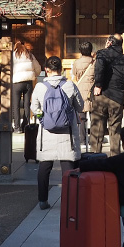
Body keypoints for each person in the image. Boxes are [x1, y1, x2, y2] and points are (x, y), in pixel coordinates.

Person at [31, 56, 85, 210]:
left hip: (47, 133)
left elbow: (35, 108)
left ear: (46, 70)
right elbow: (80, 106)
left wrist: (43, 119)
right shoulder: (69, 85)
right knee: (68, 167)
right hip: (67, 133)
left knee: (45, 167)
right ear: (61, 69)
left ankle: (42, 200)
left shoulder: (40, 87)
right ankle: (69, 202)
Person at [90, 34, 124, 155]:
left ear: (110, 42)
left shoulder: (102, 54)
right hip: (118, 98)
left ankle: (95, 159)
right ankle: (114, 160)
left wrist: (98, 85)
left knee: (97, 131)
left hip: (102, 95)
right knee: (115, 131)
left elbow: (99, 69)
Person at [11, 41, 40, 133]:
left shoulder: (13, 55)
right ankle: (26, 125)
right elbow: (38, 68)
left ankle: (17, 127)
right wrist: (34, 75)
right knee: (27, 104)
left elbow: (8, 68)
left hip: (17, 82)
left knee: (16, 105)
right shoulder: (30, 55)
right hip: (28, 82)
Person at [72, 42, 96, 129]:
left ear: (80, 51)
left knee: (81, 116)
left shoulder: (77, 62)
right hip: (92, 91)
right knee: (94, 117)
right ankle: (94, 139)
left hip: (80, 90)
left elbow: (74, 73)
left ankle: (82, 140)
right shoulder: (95, 63)